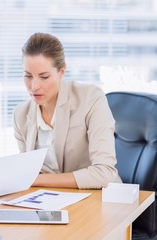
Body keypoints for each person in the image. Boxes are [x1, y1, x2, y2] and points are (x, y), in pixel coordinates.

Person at [14, 32, 122, 189]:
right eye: (28, 76)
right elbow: (27, 171)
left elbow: (104, 173)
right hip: (50, 201)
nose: (34, 86)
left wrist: (36, 180)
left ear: (61, 72)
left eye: (44, 77)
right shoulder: (21, 115)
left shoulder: (90, 98)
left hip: (97, 198)